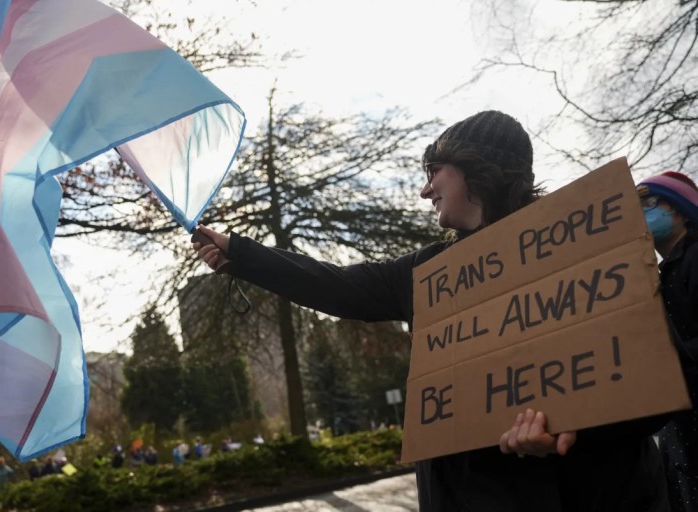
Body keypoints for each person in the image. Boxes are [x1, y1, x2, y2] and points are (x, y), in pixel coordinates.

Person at [194, 110, 671, 511]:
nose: (425, 191)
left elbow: (647, 377)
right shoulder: (427, 271)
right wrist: (240, 251)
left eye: (433, 173)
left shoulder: (585, 242)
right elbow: (339, 287)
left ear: (474, 169)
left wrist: (577, 426)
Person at [637, 171, 698, 512]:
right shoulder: (662, 273)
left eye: (649, 205)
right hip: (680, 417)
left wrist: (668, 358)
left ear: (678, 210)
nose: (642, 215)